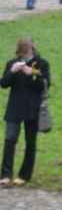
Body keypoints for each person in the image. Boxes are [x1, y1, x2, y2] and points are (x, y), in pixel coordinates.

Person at [1, 37, 51, 186]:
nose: (24, 56)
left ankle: (25, 175)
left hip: (32, 109)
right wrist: (12, 72)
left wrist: (32, 74)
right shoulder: (12, 63)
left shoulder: (42, 64)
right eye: (22, 54)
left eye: (27, 53)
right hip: (15, 107)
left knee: (30, 142)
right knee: (10, 139)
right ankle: (5, 174)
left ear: (33, 50)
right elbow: (3, 84)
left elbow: (45, 85)